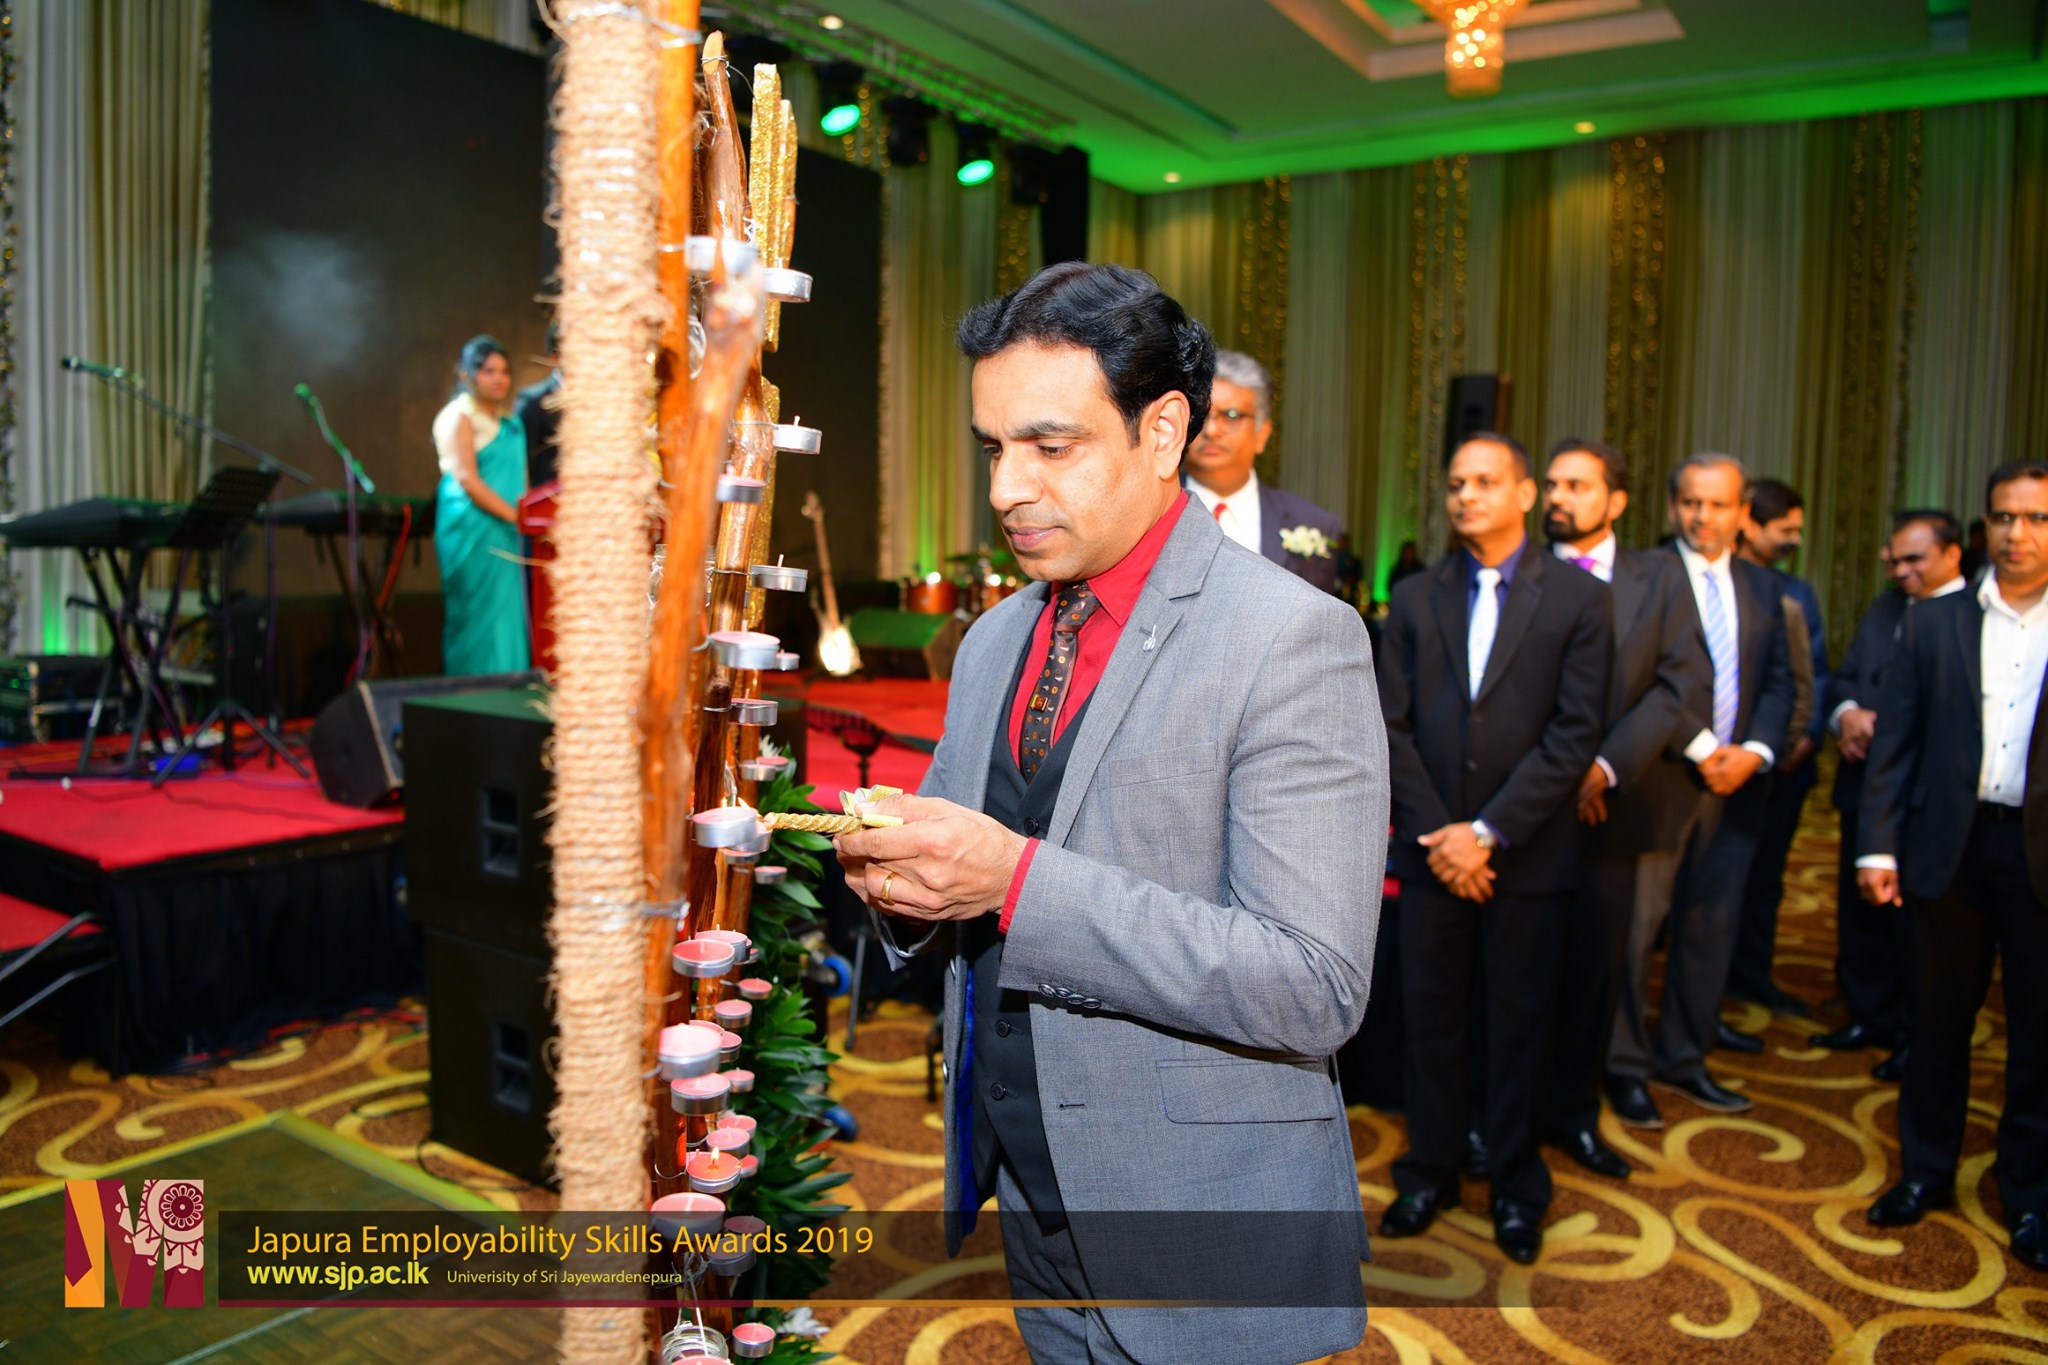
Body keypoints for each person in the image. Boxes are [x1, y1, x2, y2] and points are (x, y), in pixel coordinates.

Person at [833, 263, 1386, 1363]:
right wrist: (904, 884)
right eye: (993, 448)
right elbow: (961, 874)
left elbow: (1313, 983)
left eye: (1050, 446)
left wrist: (1014, 883)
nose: (1006, 488)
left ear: (1163, 430)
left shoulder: (1291, 637)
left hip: (1200, 1219)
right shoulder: (993, 638)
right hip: (1028, 1193)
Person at [1375, 432, 1612, 1264]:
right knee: (1431, 1021)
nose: (1466, 495)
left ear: (1524, 494)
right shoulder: (1414, 596)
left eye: (1484, 481)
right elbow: (1389, 725)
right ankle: (1430, 1169)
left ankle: (1515, 1183)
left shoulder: (1580, 600)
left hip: (1526, 855)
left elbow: (1574, 734)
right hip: (1431, 852)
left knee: (1519, 1026)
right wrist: (1443, 834)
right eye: (1455, 483)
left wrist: (1486, 833)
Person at [1856, 461, 2048, 1271]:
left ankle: (2030, 1194)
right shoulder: (1936, 623)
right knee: (1935, 1022)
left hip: (2038, 854)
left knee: (2038, 1034)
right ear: (1984, 526)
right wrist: (1877, 843)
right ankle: (1925, 1170)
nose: (2017, 532)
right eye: (2004, 516)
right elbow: (1895, 742)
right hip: (1948, 848)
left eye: (2036, 518)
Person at [1606, 454, 1795, 1129]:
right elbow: (1640, 678)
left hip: (1738, 788)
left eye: (1717, 504)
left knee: (1710, 928)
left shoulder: (1766, 587)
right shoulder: (1643, 575)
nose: (1702, 515)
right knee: (1637, 933)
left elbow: (1781, 682)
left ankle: (1685, 1055)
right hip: (1662, 780)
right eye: (1690, 502)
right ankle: (1625, 1066)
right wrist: (1704, 746)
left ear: (1742, 512)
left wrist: (1755, 752)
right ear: (1672, 506)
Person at [1539, 437, 1709, 1181]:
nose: (1559, 497)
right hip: (1526, 808)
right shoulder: (1523, 568)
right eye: (1552, 483)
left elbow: (1677, 685)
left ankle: (1577, 1112)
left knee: (1600, 969)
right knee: (1520, 968)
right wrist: (1553, 774)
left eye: (1577, 485)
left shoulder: (1661, 578)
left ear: (1616, 501)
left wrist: (1604, 767)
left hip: (1617, 805)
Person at [1817, 510, 1965, 1080]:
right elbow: (1846, 676)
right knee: (1859, 915)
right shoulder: (1885, 609)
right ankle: (1869, 1016)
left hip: (1928, 800)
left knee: (1920, 929)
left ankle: (1912, 1036)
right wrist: (1847, 714)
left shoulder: (1973, 617)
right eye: (1894, 561)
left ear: (1951, 555)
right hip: (1864, 787)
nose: (1901, 571)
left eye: (1914, 560)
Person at [1726, 479, 1830, 1026]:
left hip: (1783, 767)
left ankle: (1752, 975)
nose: (1796, 540)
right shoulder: (1704, 582)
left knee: (1765, 878)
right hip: (1713, 765)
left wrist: (1801, 737)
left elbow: (1814, 672)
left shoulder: (1798, 593)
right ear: (1749, 524)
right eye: (1786, 529)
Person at [1182, 349, 1345, 593]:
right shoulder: (1147, 512)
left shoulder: (1313, 525)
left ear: (1262, 434)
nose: (1212, 430)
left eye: (1231, 415)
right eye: (1201, 415)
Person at [432, 334, 531, 676]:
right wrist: (517, 517)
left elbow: (521, 480)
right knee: (475, 612)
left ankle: (509, 689)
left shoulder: (510, 423)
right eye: (489, 371)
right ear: (467, 375)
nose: (498, 379)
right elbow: (467, 479)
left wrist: (524, 517)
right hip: (473, 528)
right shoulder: (459, 416)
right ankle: (469, 694)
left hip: (509, 529)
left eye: (504, 371)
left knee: (507, 613)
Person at [515, 323, 562, 489]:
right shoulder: (533, 401)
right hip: (549, 495)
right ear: (554, 357)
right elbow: (522, 460)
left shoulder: (596, 398)